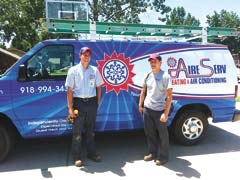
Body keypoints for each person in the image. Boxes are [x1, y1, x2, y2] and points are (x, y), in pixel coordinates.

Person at [65, 47, 104, 167]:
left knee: (90, 131)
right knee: (77, 132)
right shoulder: (73, 71)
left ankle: (91, 153)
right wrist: (70, 108)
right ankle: (76, 156)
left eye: (88, 55)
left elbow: (99, 87)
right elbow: (70, 90)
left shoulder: (95, 70)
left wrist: (97, 102)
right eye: (84, 54)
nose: (86, 57)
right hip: (79, 104)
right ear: (80, 56)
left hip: (91, 103)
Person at [138, 53, 172, 166]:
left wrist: (165, 114)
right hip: (148, 109)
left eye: (155, 61)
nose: (152, 64)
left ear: (160, 62)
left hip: (159, 111)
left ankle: (163, 157)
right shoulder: (148, 75)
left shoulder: (165, 76)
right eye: (151, 62)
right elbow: (143, 91)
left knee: (163, 135)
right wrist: (140, 105)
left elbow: (169, 97)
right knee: (149, 133)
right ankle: (152, 153)